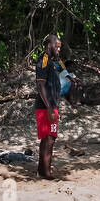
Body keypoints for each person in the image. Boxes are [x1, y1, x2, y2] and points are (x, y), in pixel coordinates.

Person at [31, 47, 64, 179]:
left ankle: (42, 171)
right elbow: (40, 85)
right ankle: (47, 173)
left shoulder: (51, 61)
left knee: (48, 139)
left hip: (51, 105)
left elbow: (63, 68)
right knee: (49, 139)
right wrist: (50, 108)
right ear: (49, 45)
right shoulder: (43, 59)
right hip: (46, 107)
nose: (59, 49)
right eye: (57, 46)